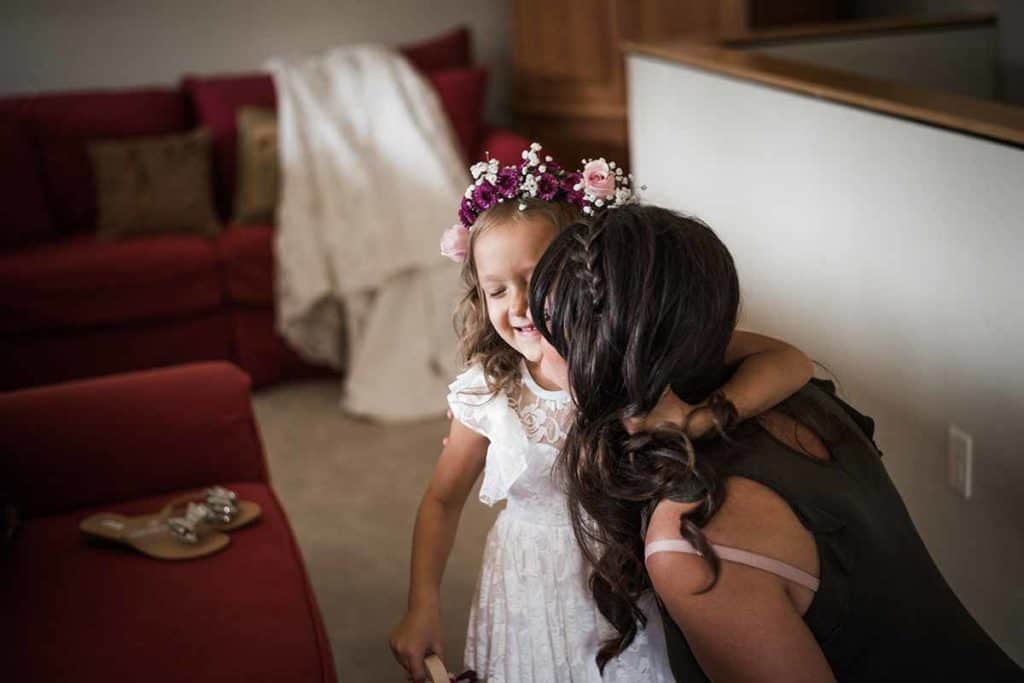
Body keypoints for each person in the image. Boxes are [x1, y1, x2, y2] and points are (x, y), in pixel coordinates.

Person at [529, 203, 1024, 682]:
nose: (535, 349)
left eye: (549, 329)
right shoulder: (794, 400)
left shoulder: (689, 540)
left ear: (602, 350)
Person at [389, 145, 816, 682]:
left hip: (627, 576)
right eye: (497, 289)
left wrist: (700, 418)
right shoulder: (489, 393)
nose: (519, 305)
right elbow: (442, 500)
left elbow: (790, 362)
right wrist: (421, 603)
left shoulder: (632, 352)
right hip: (528, 582)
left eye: (538, 278)